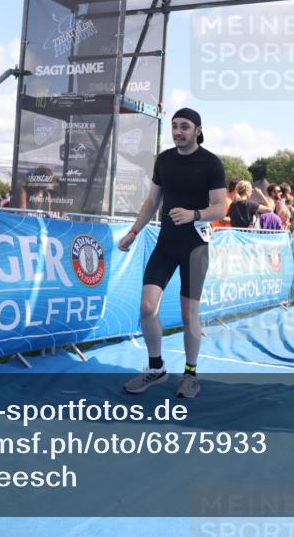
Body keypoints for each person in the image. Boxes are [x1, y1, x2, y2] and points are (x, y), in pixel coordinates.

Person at [117, 108, 226, 399]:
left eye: (185, 127)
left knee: (189, 314)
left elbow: (220, 207)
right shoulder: (164, 160)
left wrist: (194, 214)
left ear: (198, 130)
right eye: (175, 126)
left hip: (195, 248)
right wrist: (133, 232)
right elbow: (153, 200)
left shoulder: (211, 163)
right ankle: (156, 368)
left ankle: (190, 375)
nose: (178, 132)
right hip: (165, 244)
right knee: (146, 308)